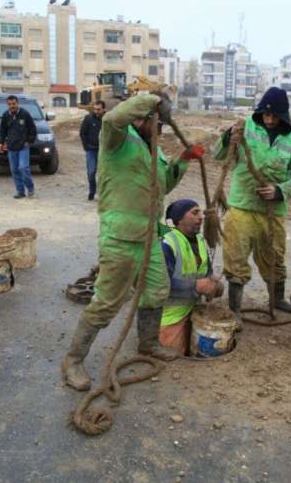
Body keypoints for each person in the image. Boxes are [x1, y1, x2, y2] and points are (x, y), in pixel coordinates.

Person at [61, 93, 206, 391]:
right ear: (142, 117)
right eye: (157, 120)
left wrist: (183, 160)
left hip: (150, 236)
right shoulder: (116, 138)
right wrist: (152, 98)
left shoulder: (152, 148)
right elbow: (114, 117)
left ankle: (148, 343)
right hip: (121, 237)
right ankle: (73, 360)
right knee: (107, 302)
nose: (161, 127)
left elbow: (163, 183)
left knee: (156, 291)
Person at [212, 87, 291, 329]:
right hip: (242, 206)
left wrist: (279, 191)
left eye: (274, 116)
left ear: (283, 116)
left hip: (273, 211)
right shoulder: (246, 128)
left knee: (274, 256)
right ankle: (234, 308)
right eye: (265, 115)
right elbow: (218, 154)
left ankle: (277, 300)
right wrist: (228, 137)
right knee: (235, 256)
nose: (268, 119)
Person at [159, 198, 221, 355]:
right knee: (174, 355)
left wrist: (212, 283)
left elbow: (206, 271)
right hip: (169, 316)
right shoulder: (166, 244)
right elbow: (159, 286)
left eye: (200, 212)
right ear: (179, 219)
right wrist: (198, 286)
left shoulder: (199, 240)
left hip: (192, 309)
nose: (201, 216)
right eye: (195, 213)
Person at [0, 95, 37, 198]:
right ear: (7, 104)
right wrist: (1, 143)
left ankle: (30, 188)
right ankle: (20, 191)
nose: (12, 106)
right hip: (11, 147)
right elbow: (2, 131)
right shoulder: (6, 115)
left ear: (17, 103)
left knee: (23, 168)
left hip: (23, 146)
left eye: (14, 104)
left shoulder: (25, 114)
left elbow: (33, 129)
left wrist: (29, 141)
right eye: (9, 104)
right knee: (14, 170)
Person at [79, 100, 105, 200]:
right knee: (91, 172)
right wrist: (86, 147)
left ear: (103, 109)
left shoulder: (106, 120)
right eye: (95, 109)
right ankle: (92, 191)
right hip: (91, 151)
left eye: (98, 109)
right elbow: (82, 133)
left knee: (103, 174)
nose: (96, 111)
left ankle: (103, 194)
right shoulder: (88, 119)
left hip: (103, 151)